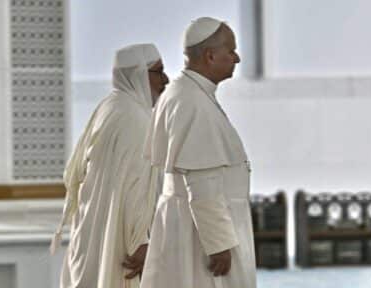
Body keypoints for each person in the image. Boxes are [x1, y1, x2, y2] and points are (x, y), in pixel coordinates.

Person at [140, 17, 256, 288]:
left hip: (192, 225)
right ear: (210, 55)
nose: (237, 58)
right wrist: (218, 244)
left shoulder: (185, 93)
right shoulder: (191, 101)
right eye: (231, 51)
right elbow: (201, 180)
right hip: (200, 235)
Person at [53, 43, 169, 288]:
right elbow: (135, 188)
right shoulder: (135, 120)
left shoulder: (111, 107)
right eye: (158, 72)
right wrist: (141, 241)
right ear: (138, 74)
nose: (166, 80)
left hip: (94, 235)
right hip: (122, 246)